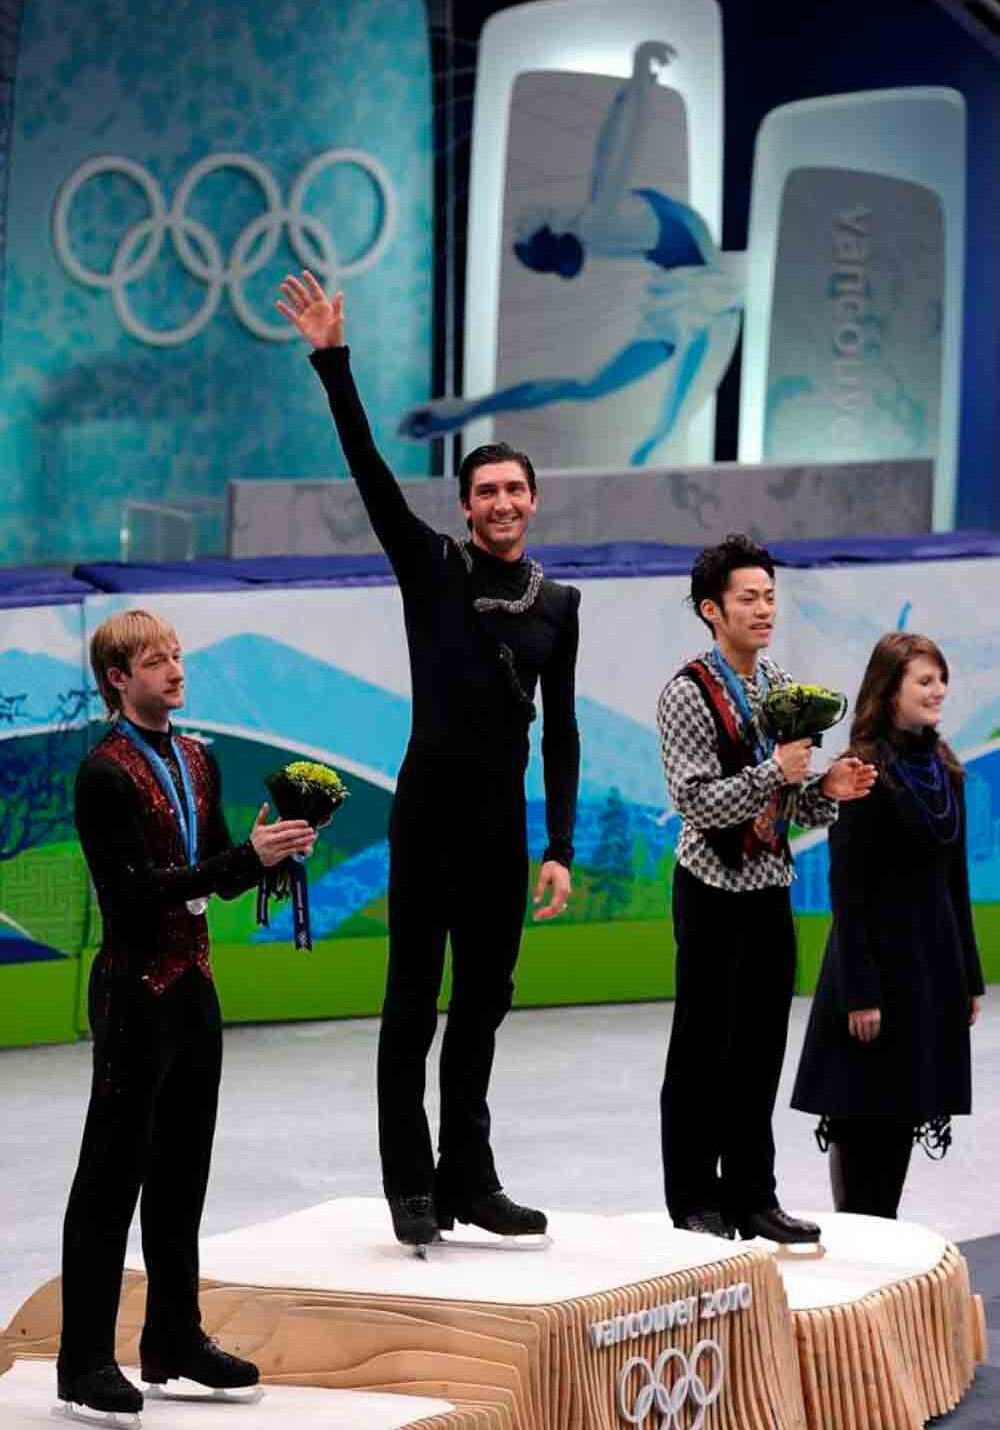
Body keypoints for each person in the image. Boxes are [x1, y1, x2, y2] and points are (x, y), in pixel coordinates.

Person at [277, 273, 581, 1249]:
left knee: (483, 1004)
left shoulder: (558, 606)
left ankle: (470, 1175)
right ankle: (409, 1182)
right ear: (465, 503)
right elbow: (367, 464)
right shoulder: (430, 566)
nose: (500, 501)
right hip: (428, 818)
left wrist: (560, 845)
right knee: (412, 1002)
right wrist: (334, 362)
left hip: (502, 829)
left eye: (513, 488)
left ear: (533, 501)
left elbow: (561, 732)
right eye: (484, 489)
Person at [58, 610, 316, 1418]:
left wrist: (269, 852)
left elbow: (212, 875)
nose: (173, 669)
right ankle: (83, 1360)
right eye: (152, 661)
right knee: (110, 1178)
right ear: (117, 680)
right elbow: (134, 895)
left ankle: (173, 1336)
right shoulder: (103, 773)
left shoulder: (198, 760)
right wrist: (243, 858)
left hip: (194, 987)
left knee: (181, 1175)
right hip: (134, 991)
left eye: (176, 656)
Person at [656, 535, 876, 1243]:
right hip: (710, 887)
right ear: (710, 610)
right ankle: (694, 1197)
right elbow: (696, 803)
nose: (764, 609)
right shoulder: (686, 694)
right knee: (701, 1048)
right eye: (748, 598)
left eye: (770, 596)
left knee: (758, 1050)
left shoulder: (779, 685)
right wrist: (772, 774)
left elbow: (790, 805)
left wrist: (828, 791)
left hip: (769, 886)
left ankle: (754, 1195)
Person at [397, 41, 744, 465]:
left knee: (611, 404)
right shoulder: (598, 222)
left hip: (689, 302)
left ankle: (465, 409)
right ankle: (468, 410)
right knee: (656, 434)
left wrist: (634, 87)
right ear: (547, 228)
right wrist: (637, 77)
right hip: (708, 306)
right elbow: (620, 148)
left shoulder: (596, 219)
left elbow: (608, 150)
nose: (518, 219)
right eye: (522, 227)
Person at [792, 633, 984, 1218]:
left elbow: (956, 882)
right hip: (875, 968)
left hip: (930, 969)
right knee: (863, 1110)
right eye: (924, 681)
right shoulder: (864, 769)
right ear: (891, 690)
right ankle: (860, 1237)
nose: (939, 691)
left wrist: (969, 978)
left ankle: (885, 1230)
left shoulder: (944, 768)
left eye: (941, 679)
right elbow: (847, 889)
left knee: (902, 1110)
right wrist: (861, 991)